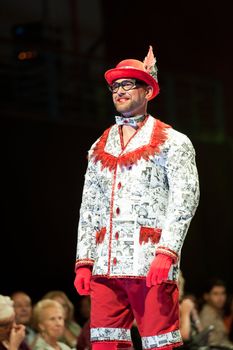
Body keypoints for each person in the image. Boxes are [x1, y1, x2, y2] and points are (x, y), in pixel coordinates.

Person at [74, 45, 200, 350]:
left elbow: (186, 197)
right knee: (105, 345)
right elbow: (90, 205)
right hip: (106, 264)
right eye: (115, 86)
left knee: (160, 345)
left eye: (128, 84)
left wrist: (167, 251)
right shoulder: (98, 146)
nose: (119, 91)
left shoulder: (173, 141)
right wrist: (84, 260)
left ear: (148, 91)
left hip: (149, 261)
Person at [199, 278, 233, 349]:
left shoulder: (218, 312)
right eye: (215, 294)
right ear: (206, 296)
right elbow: (209, 342)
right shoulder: (207, 314)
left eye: (223, 293)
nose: (220, 298)